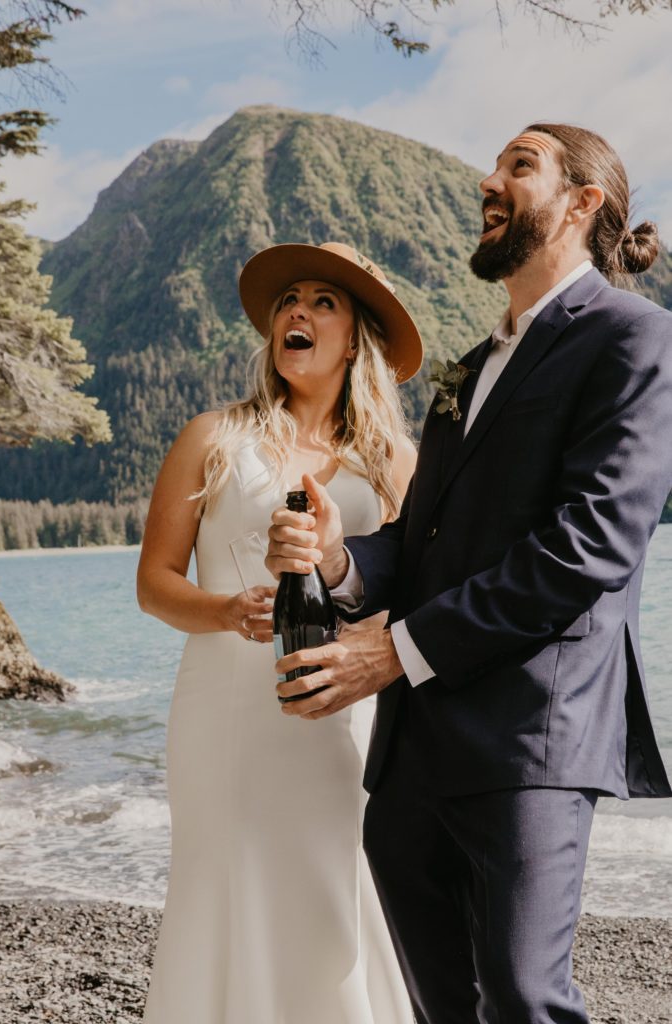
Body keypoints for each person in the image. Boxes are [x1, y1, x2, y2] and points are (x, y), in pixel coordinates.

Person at [266, 124, 672, 1024]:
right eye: (493, 165)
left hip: (532, 739)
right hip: (414, 756)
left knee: (525, 1000)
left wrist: (392, 652)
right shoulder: (467, 369)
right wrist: (338, 558)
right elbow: (424, 543)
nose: (488, 181)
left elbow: (591, 543)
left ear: (582, 202)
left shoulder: (634, 339)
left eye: (518, 166)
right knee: (443, 1007)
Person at [137, 240, 421, 1024]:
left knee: (331, 891)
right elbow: (154, 584)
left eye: (322, 301)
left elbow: (419, 597)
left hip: (340, 712)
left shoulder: (395, 462)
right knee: (219, 886)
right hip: (221, 714)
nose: (296, 310)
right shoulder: (211, 438)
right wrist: (227, 611)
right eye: (288, 300)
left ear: (357, 335)